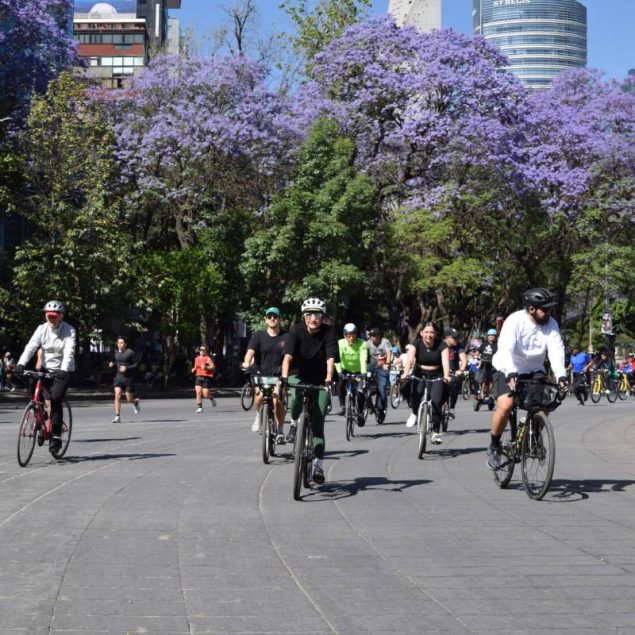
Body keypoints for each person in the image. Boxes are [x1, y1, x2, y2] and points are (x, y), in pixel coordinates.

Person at [486, 288, 567, 470]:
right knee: (506, 405)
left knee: (545, 401)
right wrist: (511, 372)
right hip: (506, 366)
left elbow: (556, 350)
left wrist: (561, 375)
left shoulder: (551, 323)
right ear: (531, 309)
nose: (548, 313)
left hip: (533, 369)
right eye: (544, 309)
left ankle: (535, 430)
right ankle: (494, 445)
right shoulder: (514, 321)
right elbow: (506, 348)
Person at [281, 298, 337, 485]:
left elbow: (330, 359)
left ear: (322, 317)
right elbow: (287, 356)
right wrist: (283, 378)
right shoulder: (295, 330)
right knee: (296, 399)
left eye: (317, 315)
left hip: (321, 379)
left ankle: (318, 465)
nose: (313, 318)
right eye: (309, 315)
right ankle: (294, 422)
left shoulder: (329, 332)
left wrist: (329, 379)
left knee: (318, 421)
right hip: (299, 374)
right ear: (303, 317)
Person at [14, 300, 76, 454]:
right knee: (32, 387)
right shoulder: (41, 329)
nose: (52, 320)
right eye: (49, 316)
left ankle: (55, 436)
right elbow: (31, 346)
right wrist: (21, 364)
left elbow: (69, 351)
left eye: (55, 316)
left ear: (61, 316)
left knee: (55, 399)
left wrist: (63, 369)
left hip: (62, 370)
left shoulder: (69, 330)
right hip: (46, 368)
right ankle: (41, 419)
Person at [242, 306, 287, 443]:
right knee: (259, 396)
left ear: (279, 319)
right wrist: (246, 362)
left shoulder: (286, 336)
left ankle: (280, 430)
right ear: (266, 320)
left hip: (278, 373)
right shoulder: (258, 335)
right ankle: (258, 415)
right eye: (269, 317)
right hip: (260, 372)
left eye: (275, 316)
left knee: (277, 400)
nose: (272, 319)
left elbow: (289, 356)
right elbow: (250, 352)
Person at [401, 322, 450, 444]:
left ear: (435, 334)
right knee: (415, 394)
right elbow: (410, 360)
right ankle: (414, 413)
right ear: (422, 333)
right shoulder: (416, 343)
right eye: (426, 332)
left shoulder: (442, 345)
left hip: (436, 374)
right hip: (419, 373)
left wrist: (446, 376)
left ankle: (435, 432)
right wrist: (406, 373)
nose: (429, 335)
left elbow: (445, 362)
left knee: (436, 402)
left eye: (432, 332)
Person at [335, 323, 368, 425]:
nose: (351, 337)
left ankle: (361, 412)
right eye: (348, 335)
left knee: (360, 391)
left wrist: (363, 373)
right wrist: (339, 372)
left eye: (353, 335)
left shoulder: (362, 343)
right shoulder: (340, 343)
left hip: (358, 371)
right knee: (340, 383)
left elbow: (363, 359)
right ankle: (342, 406)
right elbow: (337, 359)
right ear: (345, 335)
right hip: (345, 369)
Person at [109, 336, 140, 423]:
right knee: (117, 394)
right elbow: (113, 361)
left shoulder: (130, 353)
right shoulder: (115, 352)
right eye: (118, 343)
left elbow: (136, 364)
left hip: (128, 378)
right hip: (118, 377)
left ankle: (135, 403)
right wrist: (111, 364)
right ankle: (117, 416)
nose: (119, 344)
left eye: (121, 342)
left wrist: (127, 368)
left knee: (128, 398)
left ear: (125, 344)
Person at [366, 327, 392, 423]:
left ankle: (381, 409)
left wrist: (387, 364)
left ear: (379, 335)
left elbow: (389, 353)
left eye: (375, 335)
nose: (373, 337)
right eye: (371, 335)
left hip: (382, 366)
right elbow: (363, 351)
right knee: (364, 380)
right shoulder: (368, 343)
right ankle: (365, 401)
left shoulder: (385, 342)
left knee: (381, 388)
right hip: (372, 365)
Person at [443, 327, 467, 418]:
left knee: (455, 384)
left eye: (457, 337)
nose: (456, 339)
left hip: (454, 372)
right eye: (454, 338)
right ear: (447, 338)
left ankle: (452, 407)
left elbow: (464, 360)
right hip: (441, 371)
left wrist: (460, 370)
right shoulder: (440, 345)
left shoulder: (459, 346)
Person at [476, 328, 498, 406]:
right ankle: (481, 394)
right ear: (487, 336)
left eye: (493, 335)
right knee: (482, 379)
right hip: (484, 364)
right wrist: (476, 356)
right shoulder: (484, 344)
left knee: (491, 381)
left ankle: (488, 395)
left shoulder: (497, 345)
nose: (491, 337)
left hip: (493, 365)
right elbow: (478, 351)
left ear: (495, 336)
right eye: (490, 335)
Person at [192, 345, 217, 413]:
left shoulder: (208, 358)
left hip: (206, 377)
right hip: (198, 377)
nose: (201, 351)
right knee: (198, 392)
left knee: (205, 394)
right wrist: (193, 369)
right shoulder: (196, 358)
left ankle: (211, 398)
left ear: (206, 351)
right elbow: (196, 367)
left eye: (203, 350)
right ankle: (200, 407)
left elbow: (213, 367)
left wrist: (206, 367)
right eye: (200, 350)